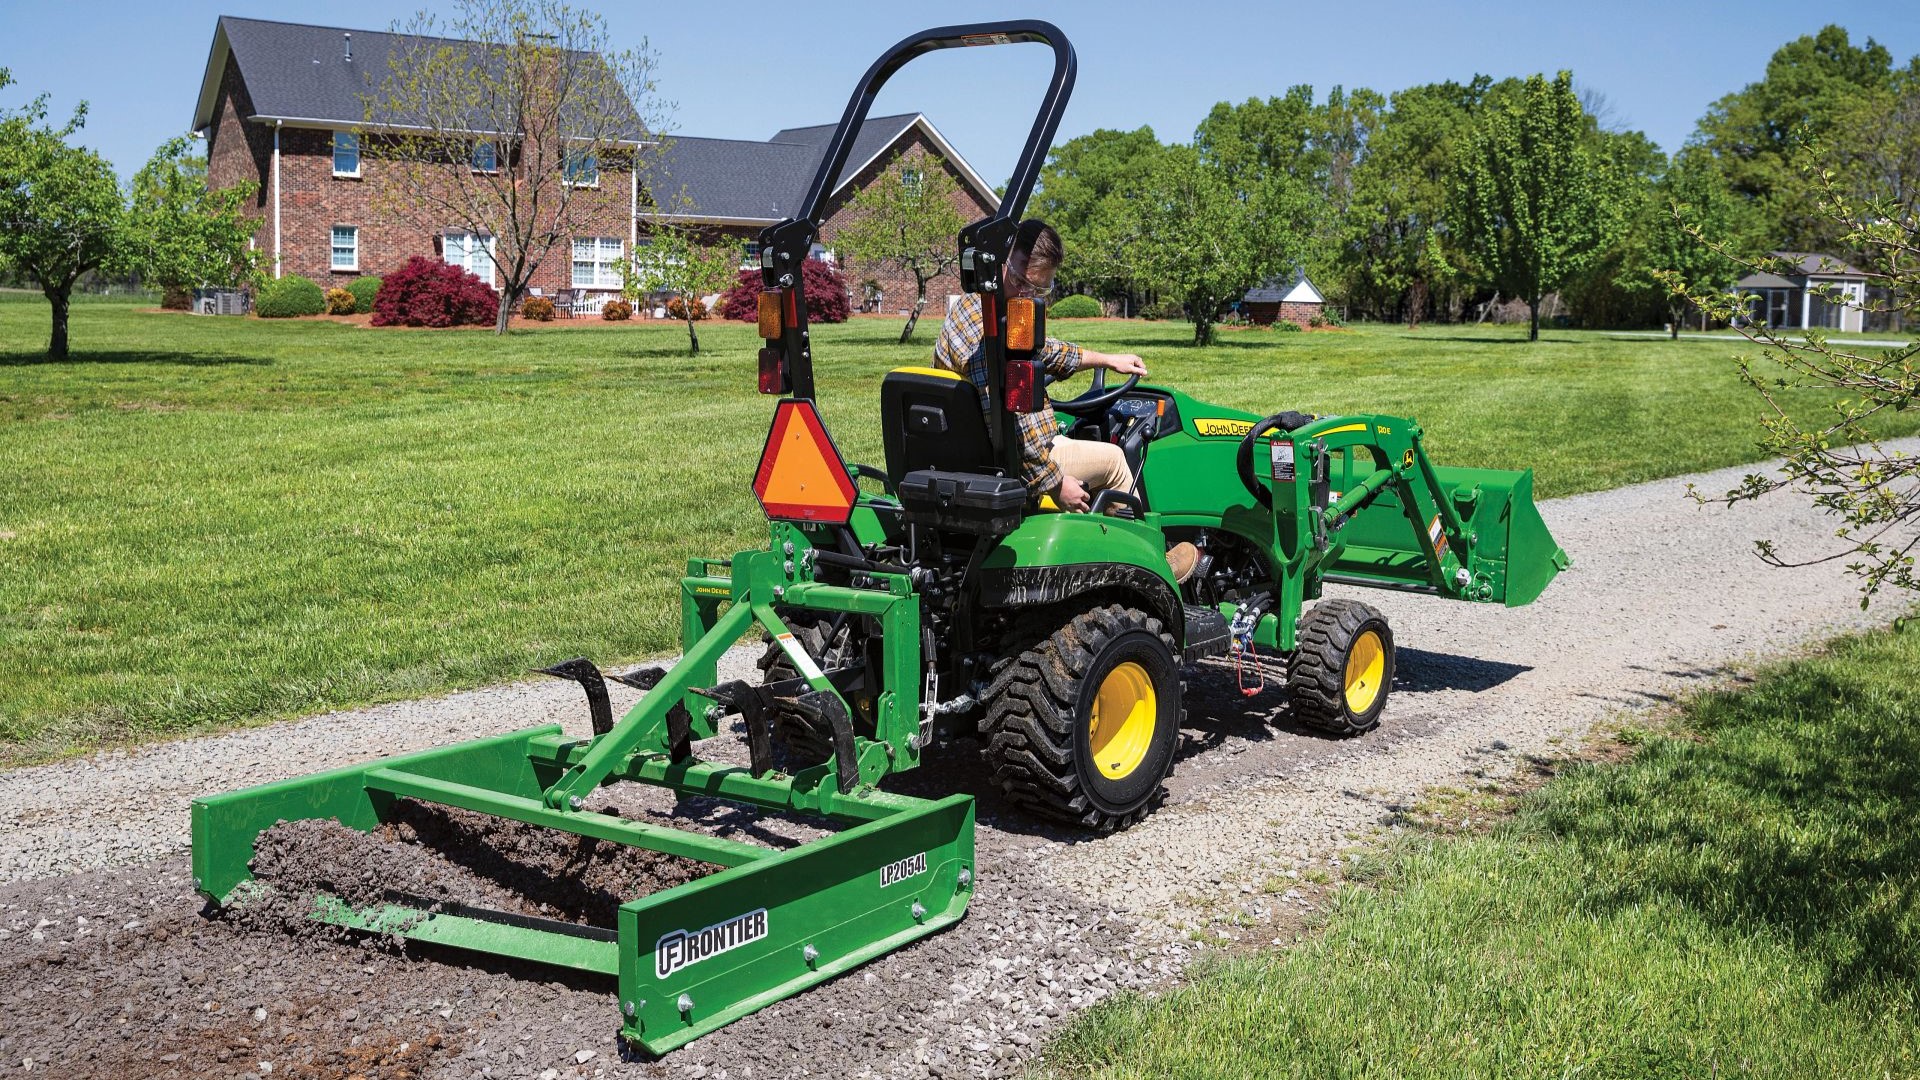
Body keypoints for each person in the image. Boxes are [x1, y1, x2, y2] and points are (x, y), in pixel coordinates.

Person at [932, 220, 1198, 583]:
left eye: (1038, 288)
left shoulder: (977, 310)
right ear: (1000, 262)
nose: (1027, 293)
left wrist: (1106, 359)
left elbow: (1046, 348)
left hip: (979, 456)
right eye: (1022, 283)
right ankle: (1151, 567)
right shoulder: (986, 333)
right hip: (1011, 461)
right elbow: (1006, 420)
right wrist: (1055, 483)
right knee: (1115, 459)